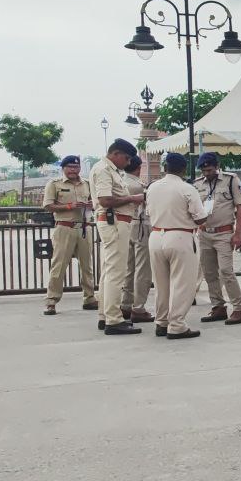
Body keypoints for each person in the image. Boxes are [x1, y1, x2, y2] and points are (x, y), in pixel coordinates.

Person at [146, 153, 208, 340]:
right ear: (183, 169)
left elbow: (149, 212)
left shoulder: (152, 187)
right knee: (182, 283)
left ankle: (161, 321)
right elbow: (200, 217)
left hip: (157, 235)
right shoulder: (186, 188)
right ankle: (177, 324)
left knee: (161, 283)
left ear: (165, 167)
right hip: (180, 235)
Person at [90, 138, 145, 335]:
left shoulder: (109, 169)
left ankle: (106, 315)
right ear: (116, 154)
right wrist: (132, 198)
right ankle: (113, 319)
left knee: (109, 271)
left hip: (114, 222)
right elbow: (105, 200)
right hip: (114, 222)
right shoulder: (105, 169)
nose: (128, 162)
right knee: (116, 272)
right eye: (127, 158)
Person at [193, 152, 241, 325]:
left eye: (209, 169)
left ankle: (239, 308)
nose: (206, 173)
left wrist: (238, 233)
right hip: (204, 233)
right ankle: (218, 306)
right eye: (203, 170)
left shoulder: (231, 180)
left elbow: (240, 207)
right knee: (209, 272)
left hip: (224, 233)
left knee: (226, 270)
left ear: (217, 166)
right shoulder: (197, 184)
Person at [41, 155, 96, 315]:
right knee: (59, 265)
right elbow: (48, 205)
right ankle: (51, 301)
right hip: (64, 227)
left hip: (84, 227)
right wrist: (69, 206)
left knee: (87, 266)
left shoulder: (86, 184)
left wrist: (91, 205)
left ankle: (89, 298)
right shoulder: (54, 184)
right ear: (63, 168)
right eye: (70, 167)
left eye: (76, 167)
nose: (73, 170)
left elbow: (95, 202)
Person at [121, 155, 154, 324]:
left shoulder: (122, 181)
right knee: (143, 270)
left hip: (127, 226)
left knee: (129, 268)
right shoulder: (136, 185)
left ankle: (126, 304)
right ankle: (138, 307)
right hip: (140, 226)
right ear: (139, 167)